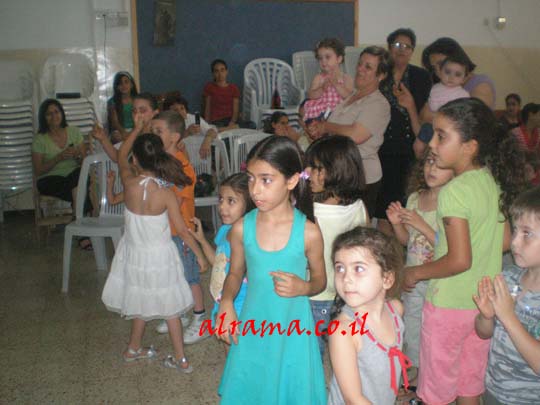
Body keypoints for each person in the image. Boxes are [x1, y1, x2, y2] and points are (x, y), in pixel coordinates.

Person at [404, 98, 527, 405]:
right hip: (483, 305)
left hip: (447, 306)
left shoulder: (454, 192)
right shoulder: (491, 181)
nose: (432, 144)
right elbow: (503, 242)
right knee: (469, 386)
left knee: (437, 391)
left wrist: (415, 272)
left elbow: (459, 260)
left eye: (441, 136)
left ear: (470, 146)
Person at [217, 136, 327, 404]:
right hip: (254, 323)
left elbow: (320, 281)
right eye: (251, 179)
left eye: (266, 180)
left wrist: (304, 287)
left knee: (289, 388)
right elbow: (235, 273)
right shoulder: (242, 228)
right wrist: (227, 302)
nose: (255, 190)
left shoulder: (309, 233)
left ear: (291, 181)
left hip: (292, 328)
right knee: (255, 385)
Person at [100, 129, 195, 372]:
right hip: (160, 257)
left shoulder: (129, 182)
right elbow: (182, 231)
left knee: (139, 297)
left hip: (134, 254)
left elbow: (120, 159)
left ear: (135, 159)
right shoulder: (165, 194)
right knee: (170, 308)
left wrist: (137, 128)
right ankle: (180, 359)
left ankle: (133, 349)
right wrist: (201, 255)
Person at [386, 151, 453, 398]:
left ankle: (431, 376)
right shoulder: (415, 198)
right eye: (428, 162)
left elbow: (450, 248)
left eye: (439, 164)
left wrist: (421, 224)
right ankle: (416, 374)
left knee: (435, 331)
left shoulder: (452, 203)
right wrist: (396, 223)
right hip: (413, 278)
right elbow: (407, 240)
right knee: (412, 326)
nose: (432, 169)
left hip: (439, 280)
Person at [327, 227, 409, 405]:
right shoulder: (343, 331)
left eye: (358, 268)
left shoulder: (396, 310)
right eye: (340, 268)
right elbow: (353, 399)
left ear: (387, 279)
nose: (346, 278)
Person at [474, 186, 540, 405]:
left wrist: (508, 316)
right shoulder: (508, 278)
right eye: (515, 230)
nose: (514, 242)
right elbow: (484, 333)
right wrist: (486, 316)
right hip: (494, 390)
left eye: (527, 234)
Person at [149, 111, 210, 344]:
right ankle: (181, 313)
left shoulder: (182, 166)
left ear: (174, 137)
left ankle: (200, 318)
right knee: (174, 275)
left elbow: (177, 201)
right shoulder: (160, 162)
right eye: (152, 131)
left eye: (158, 131)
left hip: (182, 231)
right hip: (166, 231)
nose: (153, 135)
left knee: (190, 276)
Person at [305, 135, 369, 357]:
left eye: (315, 168)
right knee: (339, 347)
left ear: (335, 171)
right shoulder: (358, 206)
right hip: (345, 293)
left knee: (311, 352)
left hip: (315, 294)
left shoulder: (312, 213)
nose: (307, 173)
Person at [308, 46, 391, 218]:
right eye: (360, 64)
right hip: (338, 173)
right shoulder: (351, 95)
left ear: (381, 75)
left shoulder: (378, 104)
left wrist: (326, 127)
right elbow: (336, 129)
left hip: (361, 177)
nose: (360, 69)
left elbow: (355, 135)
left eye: (368, 67)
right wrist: (318, 130)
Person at [375, 28, 432, 235]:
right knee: (383, 210)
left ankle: (402, 248)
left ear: (412, 51)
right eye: (398, 45)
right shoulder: (380, 74)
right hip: (381, 148)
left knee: (404, 207)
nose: (402, 50)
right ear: (389, 47)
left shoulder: (421, 77)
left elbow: (425, 116)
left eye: (407, 47)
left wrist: (409, 105)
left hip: (409, 148)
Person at [189, 173, 255, 352]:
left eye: (231, 201)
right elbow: (218, 263)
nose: (222, 207)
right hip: (222, 301)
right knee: (227, 347)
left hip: (239, 304)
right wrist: (202, 240)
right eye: (221, 200)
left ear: (249, 203)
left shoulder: (246, 235)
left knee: (239, 350)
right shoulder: (225, 230)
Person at [32, 99, 90, 247]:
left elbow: (85, 162)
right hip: (50, 179)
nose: (54, 116)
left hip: (73, 174)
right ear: (43, 118)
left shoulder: (74, 131)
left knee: (80, 176)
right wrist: (58, 158)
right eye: (49, 114)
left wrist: (76, 156)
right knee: (79, 188)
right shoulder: (39, 139)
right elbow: (38, 170)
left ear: (62, 113)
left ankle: (78, 224)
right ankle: (81, 219)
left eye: (56, 112)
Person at [422, 37, 495, 108]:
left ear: (456, 57)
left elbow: (477, 114)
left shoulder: (481, 84)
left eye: (441, 63)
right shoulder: (440, 86)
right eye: (433, 67)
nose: (437, 70)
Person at [93, 93, 160, 163]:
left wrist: (136, 129)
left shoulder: (157, 136)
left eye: (142, 111)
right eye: (134, 111)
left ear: (155, 113)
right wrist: (103, 138)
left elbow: (121, 157)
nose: (137, 115)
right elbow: (118, 157)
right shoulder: (136, 134)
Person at [303, 37, 354, 123]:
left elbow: (349, 97)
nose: (323, 61)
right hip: (321, 112)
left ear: (339, 59)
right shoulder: (319, 77)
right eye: (320, 58)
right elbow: (311, 95)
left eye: (327, 57)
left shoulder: (346, 78)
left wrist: (337, 85)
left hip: (339, 112)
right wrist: (322, 89)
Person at [203, 59, 255, 131]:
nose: (220, 74)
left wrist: (232, 122)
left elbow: (236, 110)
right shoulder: (209, 87)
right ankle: (225, 130)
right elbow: (207, 109)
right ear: (213, 74)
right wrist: (206, 124)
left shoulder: (233, 88)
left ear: (226, 71)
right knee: (215, 128)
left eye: (222, 70)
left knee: (252, 125)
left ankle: (223, 130)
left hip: (231, 121)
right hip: (217, 121)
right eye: (216, 71)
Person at [423, 54, 470, 121]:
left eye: (457, 74)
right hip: (430, 121)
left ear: (464, 79)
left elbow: (463, 116)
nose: (451, 77)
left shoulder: (463, 95)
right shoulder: (434, 88)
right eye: (447, 72)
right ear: (440, 73)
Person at [512, 103, 540, 185]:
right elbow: (513, 158)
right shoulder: (515, 133)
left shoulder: (539, 132)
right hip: (519, 172)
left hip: (535, 169)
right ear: (531, 115)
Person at [107, 71, 138, 143]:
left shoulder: (138, 99)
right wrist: (124, 132)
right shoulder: (112, 102)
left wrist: (134, 132)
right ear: (117, 87)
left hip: (136, 128)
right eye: (120, 83)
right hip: (121, 130)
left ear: (132, 84)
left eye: (126, 82)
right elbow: (115, 122)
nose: (124, 85)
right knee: (116, 136)